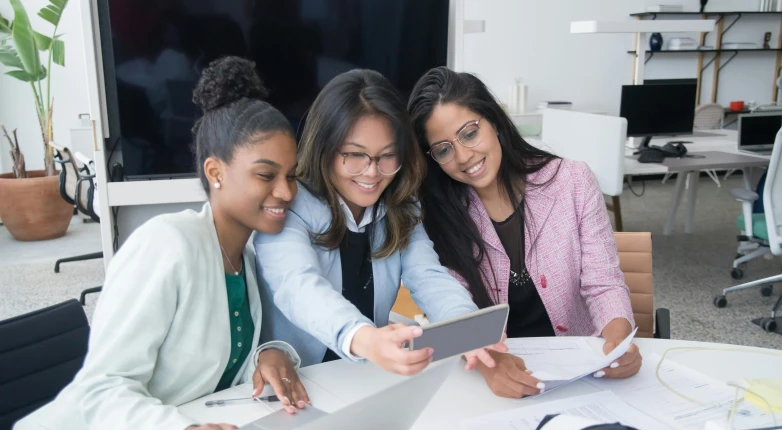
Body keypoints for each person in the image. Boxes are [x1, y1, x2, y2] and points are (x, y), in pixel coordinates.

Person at [0, 57, 308, 430]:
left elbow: (216, 355)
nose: (286, 191)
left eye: (291, 176)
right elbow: (102, 388)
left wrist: (270, 352)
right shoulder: (167, 244)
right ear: (215, 172)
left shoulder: (248, 258)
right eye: (266, 175)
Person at [407, 67, 640, 399]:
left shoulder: (572, 181)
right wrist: (491, 364)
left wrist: (618, 342)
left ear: (495, 121)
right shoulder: (437, 215)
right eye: (443, 149)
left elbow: (604, 283)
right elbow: (452, 307)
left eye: (470, 133)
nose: (463, 156)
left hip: (583, 370)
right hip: (494, 378)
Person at [254, 69, 505, 373]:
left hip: (364, 378)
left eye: (387, 155)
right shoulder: (287, 203)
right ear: (325, 149)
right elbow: (299, 286)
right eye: (355, 155)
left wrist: (468, 325)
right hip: (297, 380)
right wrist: (365, 338)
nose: (372, 173)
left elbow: (428, 276)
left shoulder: (402, 206)